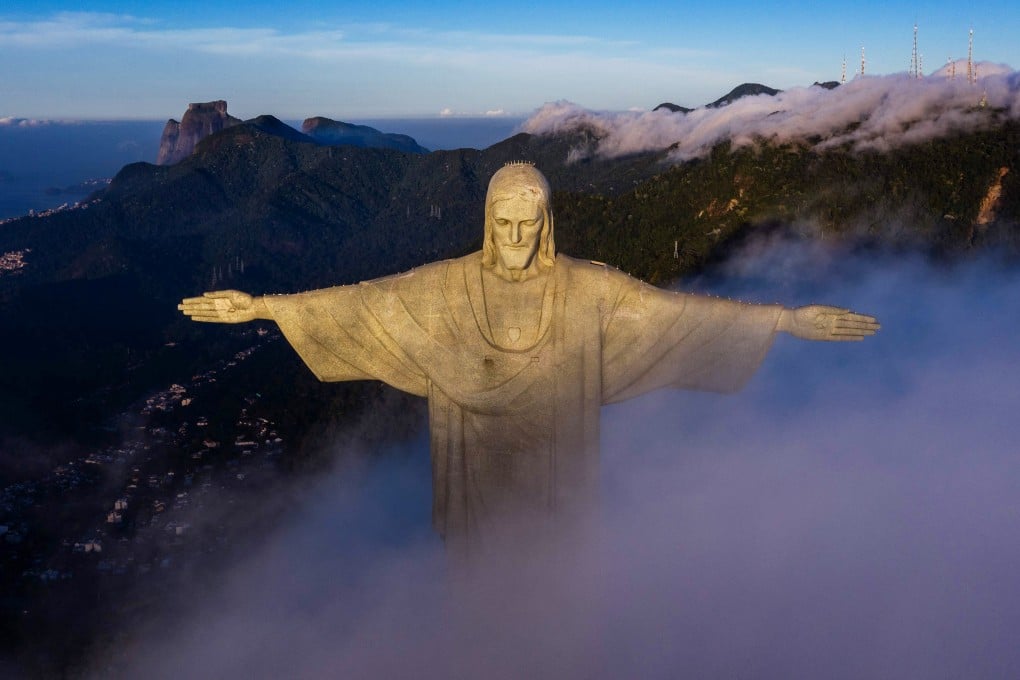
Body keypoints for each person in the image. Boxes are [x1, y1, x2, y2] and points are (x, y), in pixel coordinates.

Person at [179, 162, 878, 552]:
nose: (515, 236)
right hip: (472, 484)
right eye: (503, 223)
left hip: (554, 485)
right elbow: (366, 303)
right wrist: (264, 306)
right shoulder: (447, 287)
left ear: (546, 223)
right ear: (489, 223)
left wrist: (786, 320)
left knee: (551, 596)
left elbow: (674, 315)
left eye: (528, 222)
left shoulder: (588, 290)